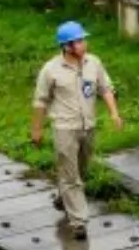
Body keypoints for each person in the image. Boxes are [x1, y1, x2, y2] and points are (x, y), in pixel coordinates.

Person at [29, 20, 123, 228]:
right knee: (71, 176)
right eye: (78, 41)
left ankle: (64, 199)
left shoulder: (94, 63)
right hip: (64, 129)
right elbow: (40, 101)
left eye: (83, 40)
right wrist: (36, 129)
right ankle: (79, 221)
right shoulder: (51, 70)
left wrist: (114, 113)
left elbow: (105, 89)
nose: (83, 45)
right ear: (66, 46)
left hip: (88, 127)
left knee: (80, 170)